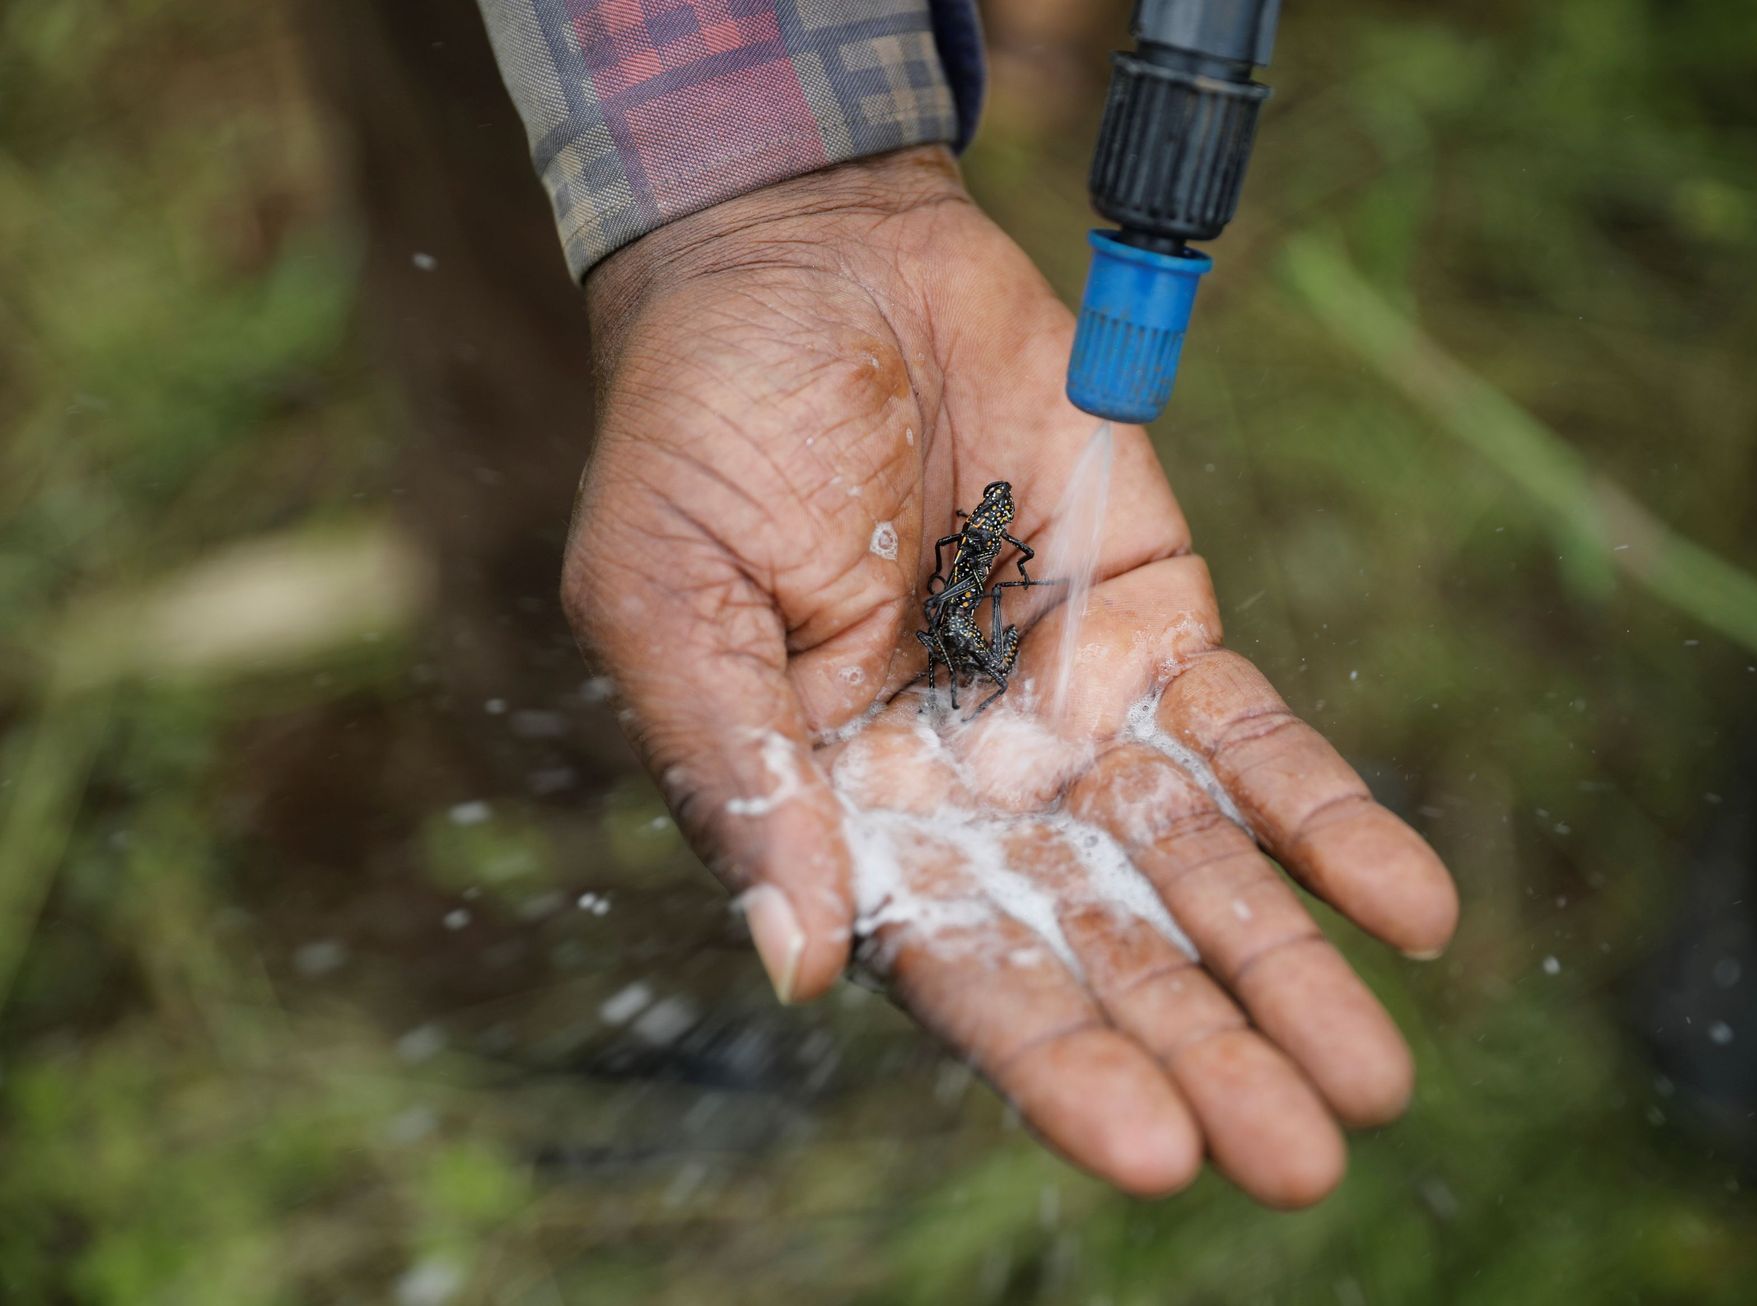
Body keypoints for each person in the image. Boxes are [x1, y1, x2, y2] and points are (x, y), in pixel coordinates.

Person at [472, 0, 1458, 1207]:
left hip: (960, 624)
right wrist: (749, 206)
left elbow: (978, 589)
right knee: (531, 371)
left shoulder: (982, 589)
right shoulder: (972, 577)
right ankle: (615, 927)